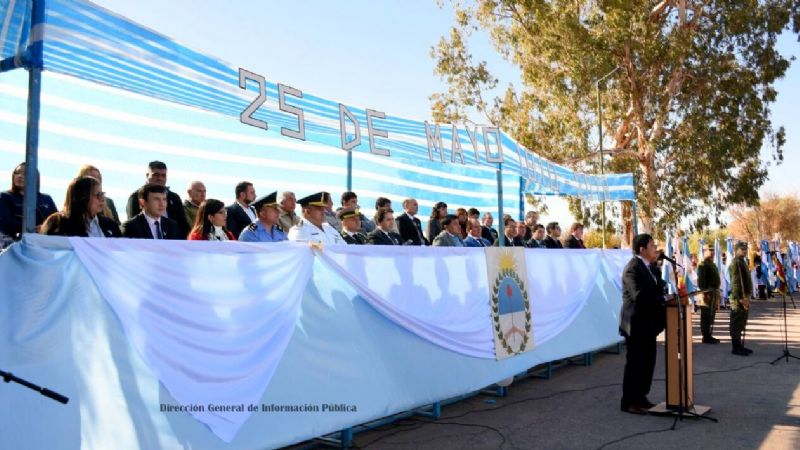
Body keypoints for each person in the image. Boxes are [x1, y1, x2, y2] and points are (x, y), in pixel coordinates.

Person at [619, 233, 666, 415]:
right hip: (636, 323)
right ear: (642, 249)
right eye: (652, 245)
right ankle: (629, 401)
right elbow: (639, 295)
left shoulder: (651, 268)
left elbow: (658, 288)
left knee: (648, 362)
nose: (655, 249)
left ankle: (641, 397)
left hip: (649, 324)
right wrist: (661, 298)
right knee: (635, 363)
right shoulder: (633, 268)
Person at [40, 176, 121, 237]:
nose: (102, 199)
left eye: (102, 194)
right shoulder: (58, 223)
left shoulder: (111, 225)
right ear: (82, 197)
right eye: (97, 195)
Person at [0, 162, 58, 239]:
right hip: (15, 243)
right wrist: (33, 228)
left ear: (35, 177)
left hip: (43, 243)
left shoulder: (46, 199)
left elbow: (57, 222)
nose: (19, 176)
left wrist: (45, 228)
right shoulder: (5, 196)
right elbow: (6, 223)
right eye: (17, 173)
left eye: (25, 173)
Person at [729, 241, 753, 356]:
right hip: (738, 299)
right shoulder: (736, 263)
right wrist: (741, 298)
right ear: (736, 250)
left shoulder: (742, 262)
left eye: (745, 249)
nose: (744, 251)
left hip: (744, 297)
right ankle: (736, 347)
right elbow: (736, 283)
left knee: (741, 322)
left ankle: (740, 346)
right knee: (736, 323)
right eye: (741, 249)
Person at [696, 245, 721, 344]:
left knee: (711, 315)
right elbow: (701, 281)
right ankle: (706, 336)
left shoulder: (712, 264)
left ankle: (709, 335)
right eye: (710, 250)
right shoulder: (703, 264)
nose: (712, 252)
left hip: (713, 292)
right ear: (704, 252)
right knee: (706, 315)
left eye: (713, 250)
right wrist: (705, 292)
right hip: (707, 293)